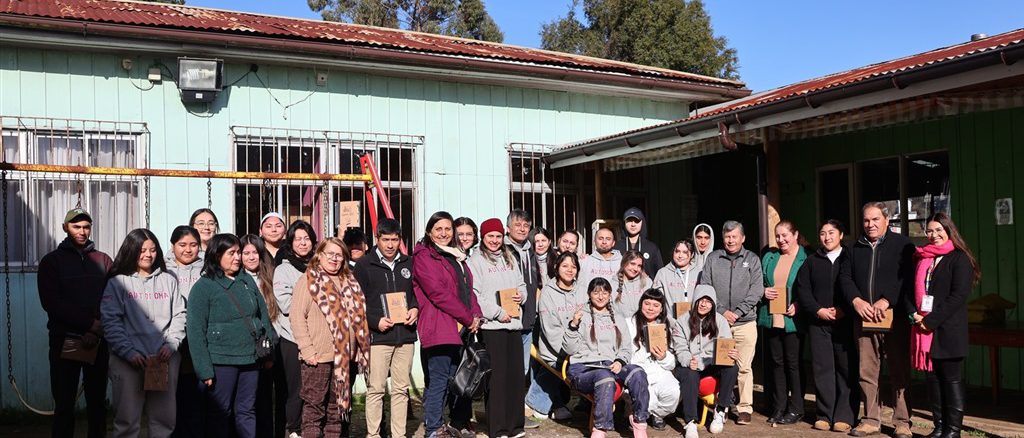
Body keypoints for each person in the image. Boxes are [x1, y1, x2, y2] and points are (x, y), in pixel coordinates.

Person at [187, 233, 276, 438]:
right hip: (221, 361)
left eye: (238, 252)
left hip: (251, 359)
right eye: (231, 253)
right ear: (217, 255)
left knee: (246, 410)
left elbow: (263, 316)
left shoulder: (246, 280)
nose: (238, 257)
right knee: (220, 412)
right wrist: (204, 369)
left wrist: (268, 350)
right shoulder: (203, 287)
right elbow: (195, 331)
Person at [101, 228, 187, 438]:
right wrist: (128, 352)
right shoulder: (117, 283)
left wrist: (171, 345)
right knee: (127, 421)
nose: (148, 255)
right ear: (131, 251)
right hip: (128, 361)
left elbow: (180, 315)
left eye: (153, 250)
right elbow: (111, 322)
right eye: (142, 250)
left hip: (164, 359)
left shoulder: (168, 280)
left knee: (164, 421)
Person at [839, 202, 916, 438]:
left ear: (886, 220)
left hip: (894, 318)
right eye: (866, 220)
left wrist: (887, 300)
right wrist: (856, 301)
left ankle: (902, 422)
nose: (870, 224)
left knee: (899, 370)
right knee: (867, 371)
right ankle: (871, 419)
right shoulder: (853, 247)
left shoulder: (903, 245)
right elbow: (844, 278)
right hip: (864, 318)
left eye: (875, 219)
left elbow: (907, 278)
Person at [38, 208, 113, 438]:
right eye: (76, 226)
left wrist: (96, 329)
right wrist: (89, 324)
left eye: (86, 227)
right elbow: (52, 302)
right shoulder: (52, 262)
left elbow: (111, 298)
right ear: (65, 228)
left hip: (98, 341)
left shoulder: (103, 260)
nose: (82, 231)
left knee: (97, 404)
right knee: (64, 404)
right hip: (64, 340)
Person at [412, 211, 483, 438]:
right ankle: (433, 428)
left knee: (453, 379)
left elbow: (467, 290)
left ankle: (446, 423)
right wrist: (467, 318)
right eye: (438, 229)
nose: (443, 233)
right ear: (429, 232)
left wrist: (476, 315)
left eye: (447, 229)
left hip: (459, 328)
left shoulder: (455, 256)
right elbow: (438, 293)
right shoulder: (425, 257)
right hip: (439, 326)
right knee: (439, 380)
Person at [291, 237, 371, 437]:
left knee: (335, 411)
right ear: (319, 255)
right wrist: (307, 350)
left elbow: (358, 318)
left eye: (339, 255)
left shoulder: (350, 281)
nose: (334, 259)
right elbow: (297, 317)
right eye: (330, 254)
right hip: (318, 357)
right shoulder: (309, 280)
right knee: (314, 408)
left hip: (344, 358)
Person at [911, 213, 978, 438]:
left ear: (949, 231)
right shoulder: (923, 258)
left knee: (951, 380)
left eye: (939, 230)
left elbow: (958, 296)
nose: (934, 235)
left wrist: (930, 321)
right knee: (933, 380)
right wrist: (915, 315)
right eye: (929, 231)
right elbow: (910, 290)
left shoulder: (960, 258)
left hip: (948, 329)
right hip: (925, 329)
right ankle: (939, 427)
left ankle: (953, 430)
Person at [355, 218, 420, 438]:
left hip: (406, 337)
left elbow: (416, 294)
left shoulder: (409, 263)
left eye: (394, 240)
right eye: (386, 240)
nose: (390, 245)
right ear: (377, 239)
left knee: (401, 390)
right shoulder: (364, 265)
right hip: (378, 338)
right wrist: (375, 321)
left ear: (400, 239)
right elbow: (356, 303)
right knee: (376, 389)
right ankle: (373, 434)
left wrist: (415, 309)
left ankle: (398, 435)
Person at [564, 277, 650, 438]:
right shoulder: (581, 315)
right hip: (584, 369)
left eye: (604, 292)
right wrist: (573, 325)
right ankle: (600, 429)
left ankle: (639, 421)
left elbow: (625, 347)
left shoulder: (617, 317)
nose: (600, 296)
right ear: (589, 294)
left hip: (610, 365)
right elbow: (569, 349)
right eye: (596, 292)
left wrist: (620, 361)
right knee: (604, 377)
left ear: (610, 294)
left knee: (637, 372)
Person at [795, 220, 857, 433]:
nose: (827, 237)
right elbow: (803, 290)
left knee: (846, 369)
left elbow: (856, 287)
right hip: (818, 323)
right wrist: (817, 310)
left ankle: (844, 415)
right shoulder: (811, 261)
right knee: (822, 369)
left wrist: (844, 309)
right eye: (823, 233)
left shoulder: (850, 258)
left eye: (831, 232)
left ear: (841, 235)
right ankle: (824, 414)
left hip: (845, 322)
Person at [468, 218, 528, 438]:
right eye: (490, 236)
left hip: (514, 324)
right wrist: (497, 312)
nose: (494, 240)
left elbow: (521, 285)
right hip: (493, 327)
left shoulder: (509, 257)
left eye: (498, 236)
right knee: (498, 379)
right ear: (483, 237)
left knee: (515, 377)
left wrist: (522, 296)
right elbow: (475, 295)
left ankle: (516, 426)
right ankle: (499, 428)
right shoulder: (475, 261)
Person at [698, 220, 761, 425]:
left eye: (734, 236)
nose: (731, 240)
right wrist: (722, 311)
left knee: (744, 367)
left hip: (745, 323)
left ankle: (744, 408)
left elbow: (756, 290)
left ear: (743, 238)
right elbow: (705, 286)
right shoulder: (713, 258)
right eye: (727, 237)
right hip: (718, 322)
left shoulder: (752, 259)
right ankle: (721, 406)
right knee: (719, 365)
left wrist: (739, 312)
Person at [672, 285, 739, 438]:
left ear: (713, 304)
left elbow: (725, 344)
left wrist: (731, 354)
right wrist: (688, 360)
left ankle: (720, 409)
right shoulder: (682, 321)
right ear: (695, 301)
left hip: (710, 362)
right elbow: (680, 348)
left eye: (708, 301)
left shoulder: (720, 320)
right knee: (689, 374)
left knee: (732, 368)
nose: (704, 304)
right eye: (701, 300)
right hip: (691, 363)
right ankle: (690, 421)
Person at [758, 220, 807, 425]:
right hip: (772, 318)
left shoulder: (806, 258)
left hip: (793, 319)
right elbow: (759, 281)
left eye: (785, 235)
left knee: (793, 364)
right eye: (777, 236)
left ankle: (796, 408)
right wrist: (763, 291)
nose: (781, 239)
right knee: (776, 364)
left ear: (795, 235)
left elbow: (809, 287)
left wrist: (799, 304)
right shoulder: (770, 257)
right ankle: (779, 407)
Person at [273, 220, 318, 438]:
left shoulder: (320, 267)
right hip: (291, 338)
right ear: (290, 243)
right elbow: (286, 304)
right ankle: (293, 429)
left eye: (306, 238)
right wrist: (316, 307)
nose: (302, 243)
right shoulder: (283, 269)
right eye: (298, 239)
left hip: (318, 337)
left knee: (315, 389)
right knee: (295, 390)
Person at [240, 234, 284, 438]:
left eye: (255, 253)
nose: (251, 257)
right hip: (248, 346)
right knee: (250, 400)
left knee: (269, 397)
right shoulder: (237, 279)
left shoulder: (271, 277)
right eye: (246, 253)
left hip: (271, 342)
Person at [533, 251, 583, 420]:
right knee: (558, 367)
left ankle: (563, 404)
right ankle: (541, 403)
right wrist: (571, 351)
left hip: (579, 349)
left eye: (573, 266)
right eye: (565, 266)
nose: (570, 270)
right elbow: (550, 330)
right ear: (556, 267)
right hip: (555, 350)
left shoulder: (582, 291)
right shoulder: (548, 293)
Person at [166, 225, 206, 438]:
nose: (188, 250)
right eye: (182, 245)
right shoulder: (164, 269)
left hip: (200, 338)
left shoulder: (207, 268)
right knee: (173, 393)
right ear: (173, 246)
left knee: (196, 393)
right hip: (172, 338)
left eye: (193, 245)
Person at [504, 209, 542, 429]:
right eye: (517, 225)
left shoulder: (530, 250)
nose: (522, 229)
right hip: (506, 320)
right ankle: (502, 414)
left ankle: (517, 413)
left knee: (522, 370)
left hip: (527, 319)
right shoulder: (502, 250)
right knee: (505, 370)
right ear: (508, 227)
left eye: (526, 225)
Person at [626, 289, 679, 430]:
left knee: (674, 393)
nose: (650, 308)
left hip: (660, 370)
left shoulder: (666, 326)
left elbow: (672, 363)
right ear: (641, 304)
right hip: (639, 372)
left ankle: (656, 415)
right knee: (648, 400)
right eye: (647, 304)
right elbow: (624, 354)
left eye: (656, 305)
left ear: (661, 309)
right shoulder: (629, 324)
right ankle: (637, 412)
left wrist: (663, 357)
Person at [653, 240, 701, 320]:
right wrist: (669, 320)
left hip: (694, 322)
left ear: (692, 255)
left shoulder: (699, 273)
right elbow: (656, 301)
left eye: (685, 252)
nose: (680, 256)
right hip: (670, 322)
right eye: (677, 251)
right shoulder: (662, 273)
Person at [614, 207, 664, 278]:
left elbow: (660, 273)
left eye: (636, 221)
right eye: (629, 221)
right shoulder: (617, 247)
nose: (633, 224)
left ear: (642, 223)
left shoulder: (652, 248)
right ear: (624, 223)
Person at [579, 227, 622, 292]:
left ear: (613, 243)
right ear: (594, 241)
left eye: (608, 239)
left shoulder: (622, 263)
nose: (604, 242)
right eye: (600, 238)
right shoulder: (584, 262)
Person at [614, 250, 650, 320]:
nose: (636, 269)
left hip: (642, 323)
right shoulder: (613, 284)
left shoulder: (647, 282)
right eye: (632, 264)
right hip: (620, 324)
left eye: (639, 266)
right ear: (624, 263)